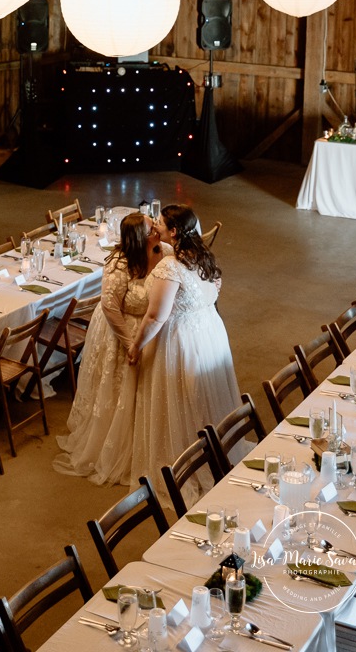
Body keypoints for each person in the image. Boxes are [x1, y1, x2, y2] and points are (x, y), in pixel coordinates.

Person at [128, 203, 241, 503]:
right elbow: (214, 288)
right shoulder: (202, 255)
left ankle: (180, 462)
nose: (154, 224)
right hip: (208, 333)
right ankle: (213, 451)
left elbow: (155, 317)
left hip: (180, 340)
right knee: (201, 399)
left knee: (180, 400)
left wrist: (136, 346)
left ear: (174, 232)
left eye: (160, 223)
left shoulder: (169, 267)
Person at [53, 212, 170, 486]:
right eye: (151, 228)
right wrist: (131, 343)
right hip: (121, 330)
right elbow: (110, 307)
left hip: (153, 328)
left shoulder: (163, 250)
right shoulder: (119, 263)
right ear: (138, 238)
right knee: (122, 390)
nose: (156, 230)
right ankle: (119, 445)